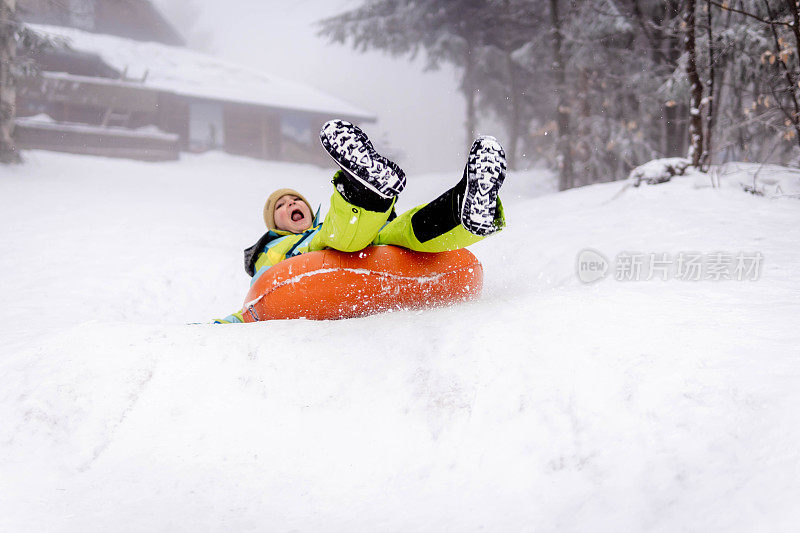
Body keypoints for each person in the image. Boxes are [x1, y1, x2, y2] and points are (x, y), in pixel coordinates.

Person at [215, 119, 507, 323]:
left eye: (295, 199)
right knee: (333, 235)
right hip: (317, 255)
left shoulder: (322, 226)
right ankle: (364, 192)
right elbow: (255, 299)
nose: (291, 203)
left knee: (399, 229)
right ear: (273, 224)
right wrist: (225, 324)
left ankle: (464, 212)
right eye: (280, 205)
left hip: (364, 241)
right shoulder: (274, 246)